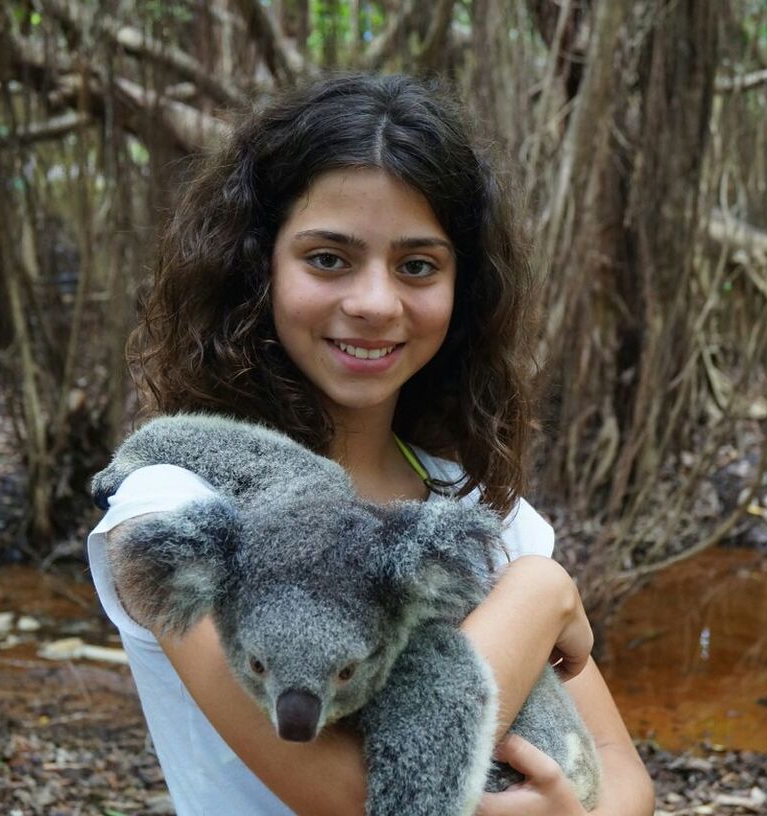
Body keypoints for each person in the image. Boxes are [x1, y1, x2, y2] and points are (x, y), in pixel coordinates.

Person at [87, 73, 654, 816]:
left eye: (417, 266)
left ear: (462, 288)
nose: (374, 304)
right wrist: (540, 594)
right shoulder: (177, 514)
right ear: (257, 265)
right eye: (328, 258)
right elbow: (356, 804)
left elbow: (624, 772)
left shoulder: (470, 506)